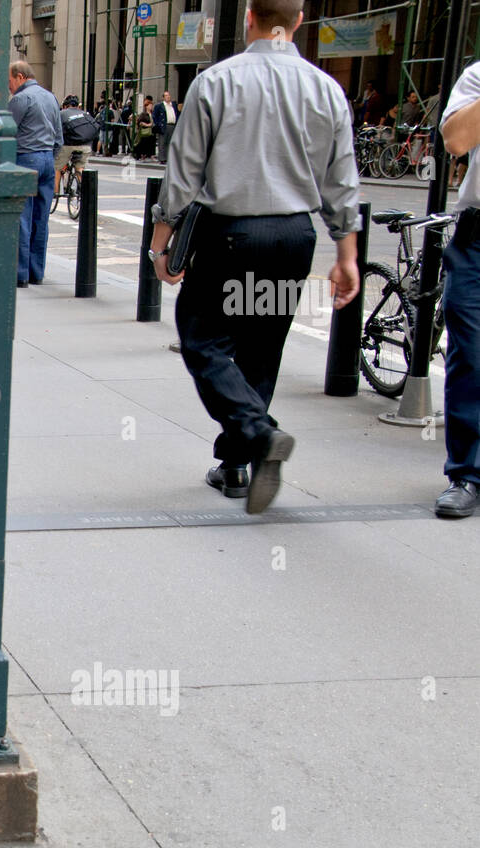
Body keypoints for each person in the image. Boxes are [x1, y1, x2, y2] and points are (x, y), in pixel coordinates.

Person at [149, 0, 360, 515]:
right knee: (261, 349)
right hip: (293, 237)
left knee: (202, 339)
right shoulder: (326, 88)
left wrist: (161, 242)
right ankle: (237, 463)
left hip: (232, 234)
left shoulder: (216, 82)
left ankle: (258, 436)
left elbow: (184, 172)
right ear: (300, 19)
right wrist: (347, 254)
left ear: (248, 17)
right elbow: (342, 180)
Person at [434, 62, 480, 516]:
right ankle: (467, 473)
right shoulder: (478, 76)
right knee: (471, 354)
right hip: (478, 239)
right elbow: (456, 141)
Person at [8, 61, 63, 288]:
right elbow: (59, 136)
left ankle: (20, 274)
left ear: (20, 77)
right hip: (47, 159)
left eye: (10, 80)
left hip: (25, 158)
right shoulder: (50, 97)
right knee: (41, 218)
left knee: (23, 217)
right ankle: (36, 271)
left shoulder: (21, 99)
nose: (9, 86)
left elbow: (7, 132)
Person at [56, 102, 100, 195]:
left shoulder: (61, 113)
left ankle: (55, 192)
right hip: (85, 145)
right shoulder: (85, 114)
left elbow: (56, 130)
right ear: (77, 106)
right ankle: (82, 191)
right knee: (80, 167)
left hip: (68, 145)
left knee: (57, 167)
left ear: (64, 106)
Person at [154, 90, 179, 163]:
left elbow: (177, 114)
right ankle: (162, 158)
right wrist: (158, 124)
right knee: (162, 143)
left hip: (172, 125)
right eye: (166, 95)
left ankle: (168, 158)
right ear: (163, 97)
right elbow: (155, 116)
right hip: (164, 125)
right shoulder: (160, 106)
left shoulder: (173, 105)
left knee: (170, 143)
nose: (168, 97)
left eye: (168, 95)